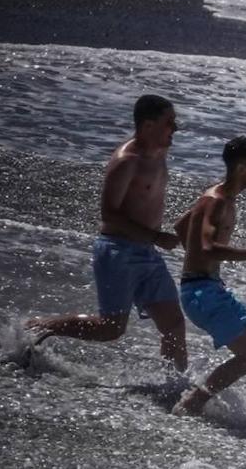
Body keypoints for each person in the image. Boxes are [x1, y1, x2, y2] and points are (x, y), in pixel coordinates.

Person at [25, 94, 187, 371]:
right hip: (118, 251)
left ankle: (174, 388)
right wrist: (157, 237)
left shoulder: (159, 153)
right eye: (169, 122)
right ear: (148, 125)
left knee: (173, 324)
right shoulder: (127, 160)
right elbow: (109, 214)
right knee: (110, 328)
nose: (176, 128)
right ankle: (36, 327)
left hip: (148, 252)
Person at [170, 136, 246, 438]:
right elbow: (208, 247)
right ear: (241, 167)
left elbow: (180, 227)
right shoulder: (218, 201)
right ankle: (192, 403)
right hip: (201, 293)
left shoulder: (214, 195)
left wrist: (196, 261)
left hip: (208, 287)